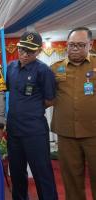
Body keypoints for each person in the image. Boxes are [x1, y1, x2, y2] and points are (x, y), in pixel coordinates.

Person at [6, 31, 58, 200]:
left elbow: (50, 100)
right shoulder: (11, 67)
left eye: (30, 51)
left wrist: (32, 109)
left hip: (35, 131)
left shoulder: (44, 71)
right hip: (14, 131)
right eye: (22, 50)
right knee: (16, 173)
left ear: (38, 51)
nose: (25, 54)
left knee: (42, 173)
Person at [51, 27, 96, 200]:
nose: (75, 48)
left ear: (90, 44)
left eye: (80, 45)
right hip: (66, 133)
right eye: (71, 45)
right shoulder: (55, 68)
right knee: (71, 181)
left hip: (94, 132)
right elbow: (46, 96)